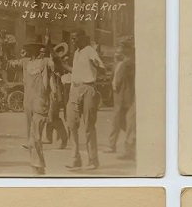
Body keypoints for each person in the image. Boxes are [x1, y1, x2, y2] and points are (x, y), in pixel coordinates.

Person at [63, 29, 105, 170]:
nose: (73, 41)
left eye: (75, 38)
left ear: (82, 38)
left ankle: (93, 160)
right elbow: (75, 71)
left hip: (88, 88)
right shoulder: (76, 53)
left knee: (89, 126)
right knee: (71, 124)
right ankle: (75, 159)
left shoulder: (89, 51)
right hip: (75, 89)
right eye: (71, 38)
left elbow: (102, 68)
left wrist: (97, 64)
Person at [23, 44, 57, 175]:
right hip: (29, 103)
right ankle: (37, 165)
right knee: (31, 137)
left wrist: (53, 94)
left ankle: (38, 164)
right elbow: (9, 64)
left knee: (36, 136)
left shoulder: (46, 62)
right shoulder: (27, 63)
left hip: (40, 102)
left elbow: (53, 74)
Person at [107, 38, 135, 159]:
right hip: (117, 96)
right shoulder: (117, 64)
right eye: (117, 49)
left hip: (126, 97)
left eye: (120, 49)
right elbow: (113, 79)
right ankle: (113, 145)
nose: (117, 52)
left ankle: (128, 148)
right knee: (119, 122)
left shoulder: (128, 64)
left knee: (125, 122)